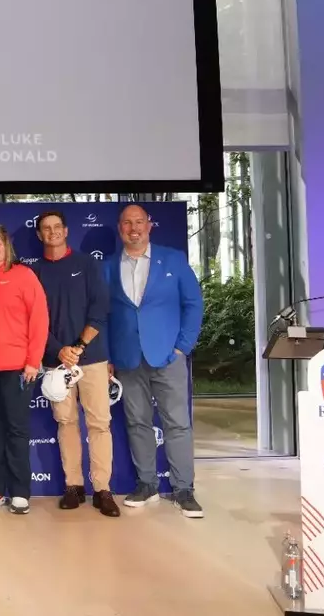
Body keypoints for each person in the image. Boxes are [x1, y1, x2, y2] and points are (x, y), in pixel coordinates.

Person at [106, 204, 205, 518]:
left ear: (149, 226)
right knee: (137, 423)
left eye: (139, 222)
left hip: (167, 357)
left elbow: (193, 304)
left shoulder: (173, 260)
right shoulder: (107, 267)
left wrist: (182, 347)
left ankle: (183, 489)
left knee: (177, 423)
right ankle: (147, 484)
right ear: (119, 228)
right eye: (127, 223)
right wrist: (109, 356)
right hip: (127, 358)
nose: (133, 229)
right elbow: (103, 316)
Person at [28, 210, 119, 518]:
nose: (52, 232)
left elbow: (100, 309)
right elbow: (34, 321)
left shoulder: (88, 265)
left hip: (91, 358)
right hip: (56, 363)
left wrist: (78, 346)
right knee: (66, 423)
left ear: (66, 231)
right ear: (39, 235)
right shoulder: (35, 272)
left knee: (99, 423)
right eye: (46, 229)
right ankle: (74, 486)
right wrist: (59, 351)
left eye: (57, 227)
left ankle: (102, 488)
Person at [0, 224, 49, 515]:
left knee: (16, 430)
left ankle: (20, 491)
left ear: (7, 247)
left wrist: (33, 360)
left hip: (18, 367)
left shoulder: (23, 276)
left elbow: (39, 320)